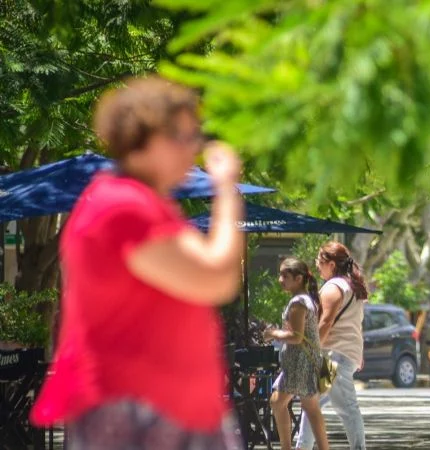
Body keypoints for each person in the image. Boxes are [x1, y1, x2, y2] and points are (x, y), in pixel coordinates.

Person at [30, 76, 244, 450]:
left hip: (158, 406)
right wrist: (226, 190)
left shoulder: (135, 203)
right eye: (182, 135)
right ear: (140, 136)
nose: (192, 147)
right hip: (139, 408)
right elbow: (217, 276)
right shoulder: (124, 207)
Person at [296, 242, 367, 450]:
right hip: (342, 355)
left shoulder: (333, 287)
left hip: (335, 357)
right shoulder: (352, 286)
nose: (317, 265)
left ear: (332, 264)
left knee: (347, 408)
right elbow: (356, 323)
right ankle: (302, 446)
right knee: (313, 404)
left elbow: (325, 323)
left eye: (320, 261)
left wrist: (310, 349)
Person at [264, 258, 330, 450]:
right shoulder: (306, 300)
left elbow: (296, 337)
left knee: (277, 402)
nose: (280, 279)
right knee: (310, 409)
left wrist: (272, 333)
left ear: (299, 278)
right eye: (280, 274)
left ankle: (286, 447)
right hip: (307, 364)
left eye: (285, 275)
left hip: (299, 365)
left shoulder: (298, 303)